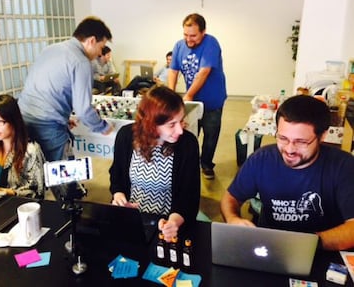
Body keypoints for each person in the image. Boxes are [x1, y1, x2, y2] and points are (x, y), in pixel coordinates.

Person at [221, 95, 354, 251]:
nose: (289, 149)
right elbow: (231, 198)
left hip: (322, 251)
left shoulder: (343, 166)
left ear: (322, 136)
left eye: (301, 142)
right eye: (283, 138)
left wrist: (305, 245)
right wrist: (232, 219)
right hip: (268, 248)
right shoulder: (262, 159)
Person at [109, 86, 201, 242]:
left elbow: (189, 196)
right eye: (172, 124)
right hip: (133, 219)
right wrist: (119, 195)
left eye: (181, 121)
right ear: (151, 124)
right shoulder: (126, 136)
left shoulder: (187, 144)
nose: (179, 130)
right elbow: (116, 174)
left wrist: (173, 222)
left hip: (167, 220)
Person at [18, 16, 114, 162]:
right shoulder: (81, 62)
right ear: (91, 41)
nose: (100, 54)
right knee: (61, 174)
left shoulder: (50, 49)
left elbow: (46, 87)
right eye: (101, 48)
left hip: (22, 119)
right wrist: (103, 127)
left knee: (34, 166)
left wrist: (62, 117)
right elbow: (83, 111)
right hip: (48, 127)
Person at [167, 13, 227, 180]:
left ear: (203, 32)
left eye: (193, 35)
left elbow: (203, 73)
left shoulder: (211, 43)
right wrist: (171, 94)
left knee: (210, 133)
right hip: (192, 101)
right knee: (189, 133)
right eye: (185, 35)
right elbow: (173, 70)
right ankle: (188, 164)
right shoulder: (179, 46)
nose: (189, 39)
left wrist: (187, 95)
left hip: (212, 100)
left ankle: (206, 163)